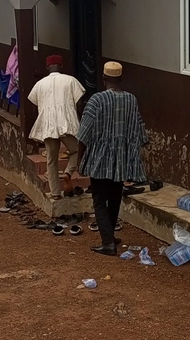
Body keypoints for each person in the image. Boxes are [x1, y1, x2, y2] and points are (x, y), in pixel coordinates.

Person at [76, 61, 148, 256]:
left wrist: (80, 159)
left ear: (104, 78)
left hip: (100, 158)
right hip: (121, 158)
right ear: (121, 79)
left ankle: (108, 242)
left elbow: (84, 132)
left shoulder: (96, 100)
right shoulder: (131, 100)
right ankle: (110, 236)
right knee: (115, 196)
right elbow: (139, 129)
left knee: (99, 198)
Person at [28, 55, 85, 200]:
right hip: (66, 122)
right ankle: (68, 173)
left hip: (48, 124)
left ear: (47, 67)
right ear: (62, 66)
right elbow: (79, 103)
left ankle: (55, 193)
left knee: (51, 160)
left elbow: (35, 106)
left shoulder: (39, 84)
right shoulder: (71, 80)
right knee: (75, 150)